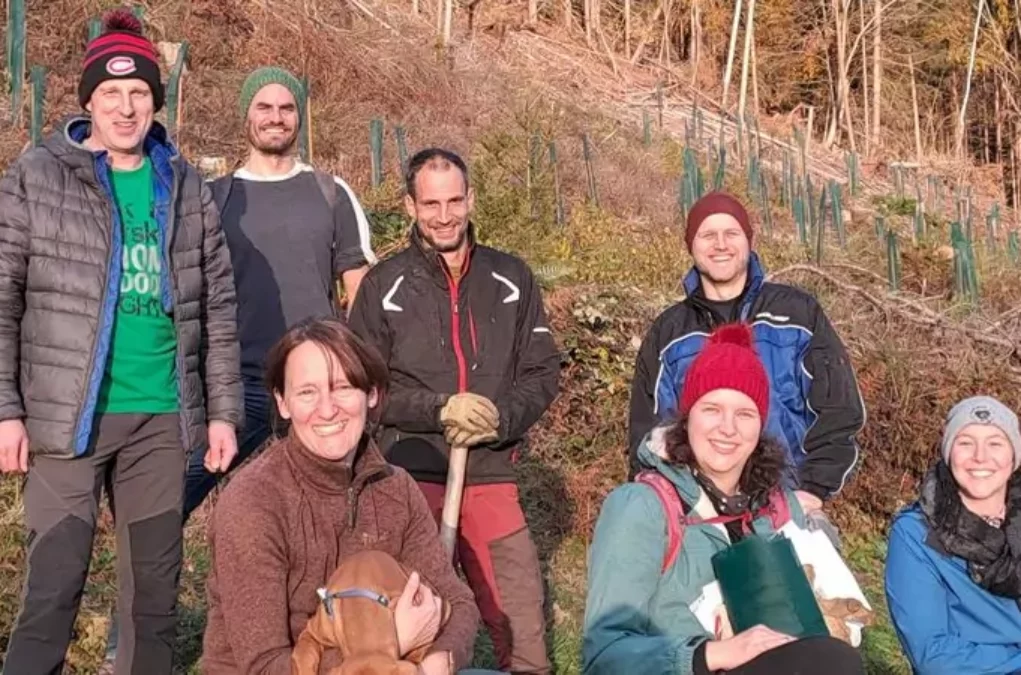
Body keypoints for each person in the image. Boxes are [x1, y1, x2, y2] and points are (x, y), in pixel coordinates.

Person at [0, 9, 241, 675]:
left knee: (152, 601)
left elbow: (216, 306)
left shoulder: (186, 185)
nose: (125, 106)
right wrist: (5, 410)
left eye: (139, 92)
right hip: (64, 418)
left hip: (160, 420)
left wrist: (222, 412)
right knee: (51, 590)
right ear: (88, 100)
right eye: (111, 92)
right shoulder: (38, 177)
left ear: (155, 102)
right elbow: (2, 297)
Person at [348, 148, 560, 674]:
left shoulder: (511, 278)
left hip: (490, 471)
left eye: (455, 200)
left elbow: (542, 372)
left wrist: (500, 418)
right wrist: (439, 409)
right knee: (405, 620)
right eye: (431, 203)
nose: (444, 215)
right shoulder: (384, 285)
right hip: (409, 473)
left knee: (520, 616)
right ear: (410, 205)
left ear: (471, 199)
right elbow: (363, 390)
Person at [200, 317, 480, 674]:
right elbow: (265, 665)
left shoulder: (397, 489)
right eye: (307, 392)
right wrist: (386, 642)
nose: (328, 409)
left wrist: (440, 661)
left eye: (343, 387)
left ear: (372, 393)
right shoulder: (254, 503)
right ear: (283, 403)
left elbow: (457, 601)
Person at [584, 323, 865, 675]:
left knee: (835, 659)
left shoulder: (777, 508)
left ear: (760, 427)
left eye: (744, 414)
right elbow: (603, 655)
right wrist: (709, 655)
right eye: (712, 409)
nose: (728, 428)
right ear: (687, 419)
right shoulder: (642, 507)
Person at [185, 64, 376, 517]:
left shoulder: (330, 192)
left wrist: (362, 378)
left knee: (327, 512)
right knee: (174, 494)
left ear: (300, 116)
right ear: (246, 115)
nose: (276, 117)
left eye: (287, 107)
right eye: (264, 107)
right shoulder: (214, 198)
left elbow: (361, 290)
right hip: (239, 386)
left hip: (317, 390)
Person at [628, 191, 866, 519]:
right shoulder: (669, 333)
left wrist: (812, 488)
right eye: (708, 234)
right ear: (691, 246)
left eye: (731, 233)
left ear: (749, 241)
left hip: (789, 504)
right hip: (699, 514)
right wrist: (664, 505)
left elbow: (839, 410)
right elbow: (650, 433)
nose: (720, 244)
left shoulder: (797, 313)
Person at [885, 396, 1021, 674]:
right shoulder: (916, 534)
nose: (980, 456)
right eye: (965, 442)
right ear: (948, 452)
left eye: (995, 443)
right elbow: (933, 656)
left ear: (1014, 456)